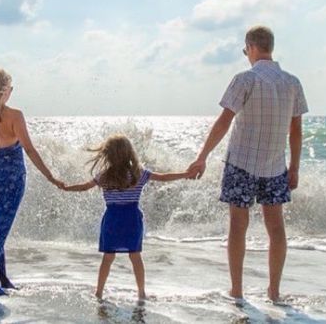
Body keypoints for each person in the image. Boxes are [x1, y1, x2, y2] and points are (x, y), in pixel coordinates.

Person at [187, 25, 308, 303]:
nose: (246, 54)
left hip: (241, 163)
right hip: (275, 166)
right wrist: (295, 167)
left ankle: (237, 290)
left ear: (251, 47)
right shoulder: (292, 82)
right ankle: (274, 291)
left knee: (238, 227)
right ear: (270, 48)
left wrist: (202, 156)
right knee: (276, 228)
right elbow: (296, 131)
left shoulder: (245, 79)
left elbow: (224, 122)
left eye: (245, 50)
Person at [0, 68, 64, 295]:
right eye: (10, 87)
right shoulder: (12, 116)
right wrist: (50, 176)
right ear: (5, 90)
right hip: (7, 175)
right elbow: (29, 149)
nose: (11, 91)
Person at [63, 134, 191, 301]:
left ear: (108, 154)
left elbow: (84, 187)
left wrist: (65, 187)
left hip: (112, 220)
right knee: (135, 256)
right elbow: (163, 177)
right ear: (129, 153)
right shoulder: (139, 174)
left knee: (108, 257)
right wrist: (185, 174)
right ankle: (141, 293)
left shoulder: (104, 176)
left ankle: (99, 292)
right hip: (132, 220)